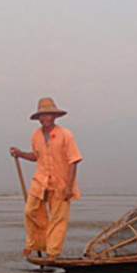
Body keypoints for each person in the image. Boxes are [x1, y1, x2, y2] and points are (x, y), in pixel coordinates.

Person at [9, 98, 82, 258]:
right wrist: (20, 154)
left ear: (54, 117)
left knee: (58, 218)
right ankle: (35, 243)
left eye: (47, 115)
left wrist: (69, 186)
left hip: (61, 183)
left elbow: (73, 160)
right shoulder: (36, 135)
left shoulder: (65, 135)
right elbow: (36, 156)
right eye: (42, 116)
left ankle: (52, 252)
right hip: (40, 181)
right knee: (31, 211)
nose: (44, 119)